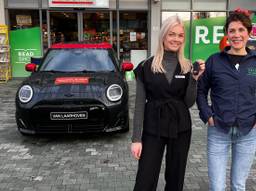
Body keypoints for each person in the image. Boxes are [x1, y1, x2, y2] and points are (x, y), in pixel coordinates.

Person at [131, 15, 205, 191]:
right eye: (172, 34)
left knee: (175, 178)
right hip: (153, 127)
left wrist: (194, 80)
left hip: (180, 128)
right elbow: (139, 104)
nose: (176, 39)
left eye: (180, 35)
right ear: (163, 36)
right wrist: (136, 139)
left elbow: (188, 103)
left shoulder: (187, 66)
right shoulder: (145, 66)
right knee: (145, 179)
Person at [196, 9, 256, 191]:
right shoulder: (214, 61)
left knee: (239, 185)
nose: (236, 35)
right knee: (217, 186)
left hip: (248, 132)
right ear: (227, 35)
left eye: (240, 30)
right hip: (218, 131)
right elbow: (201, 91)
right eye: (232, 31)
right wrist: (208, 116)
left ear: (249, 32)